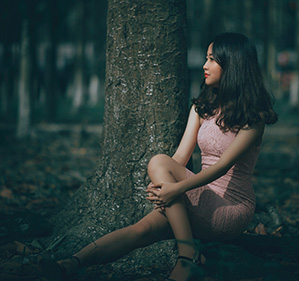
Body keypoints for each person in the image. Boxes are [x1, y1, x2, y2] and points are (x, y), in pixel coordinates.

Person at [46, 32, 277, 281]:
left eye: (212, 59)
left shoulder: (254, 118)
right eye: (206, 59)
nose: (204, 65)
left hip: (230, 207)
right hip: (199, 196)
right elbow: (179, 157)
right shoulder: (202, 108)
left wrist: (174, 189)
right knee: (142, 229)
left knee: (157, 160)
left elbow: (222, 166)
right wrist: (162, 184)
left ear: (233, 65)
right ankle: (71, 263)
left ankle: (187, 256)